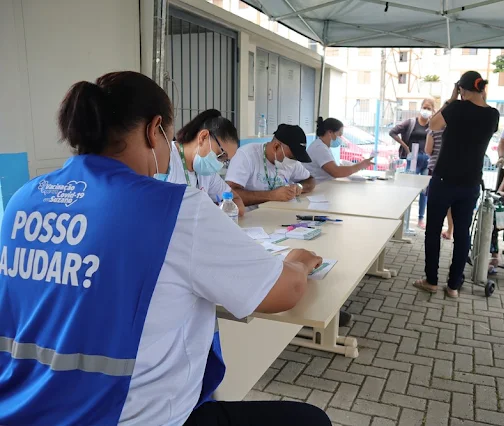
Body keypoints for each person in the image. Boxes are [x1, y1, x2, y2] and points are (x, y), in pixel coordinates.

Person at [0, 71, 332, 426]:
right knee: (310, 421)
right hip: (124, 416)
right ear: (153, 129)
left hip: (21, 410)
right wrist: (298, 262)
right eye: (166, 137)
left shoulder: (23, 200)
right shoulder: (174, 208)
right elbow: (284, 292)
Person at [414, 71, 500, 299]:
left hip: (444, 179)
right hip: (471, 183)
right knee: (462, 234)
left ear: (461, 89)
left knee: (433, 231)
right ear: (482, 88)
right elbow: (481, 113)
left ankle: (431, 281)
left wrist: (451, 99)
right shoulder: (493, 114)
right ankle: (453, 286)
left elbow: (433, 124)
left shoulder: (456, 107)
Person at [171, 109, 246, 216]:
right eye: (221, 155)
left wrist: (214, 210)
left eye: (225, 161)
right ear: (203, 137)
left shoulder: (207, 172)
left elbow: (236, 201)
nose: (220, 164)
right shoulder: (167, 158)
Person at [226, 124, 316, 207]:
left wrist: (300, 187)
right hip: (251, 215)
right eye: (291, 157)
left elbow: (311, 180)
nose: (293, 161)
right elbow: (231, 194)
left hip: (280, 212)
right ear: (276, 147)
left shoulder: (292, 163)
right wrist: (272, 195)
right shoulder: (246, 155)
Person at [390, 98, 435, 228]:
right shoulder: (411, 122)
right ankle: (405, 221)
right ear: (420, 108)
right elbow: (392, 132)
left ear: (433, 110)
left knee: (424, 191)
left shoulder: (432, 125)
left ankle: (421, 219)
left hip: (427, 160)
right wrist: (405, 146)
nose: (426, 110)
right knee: (408, 190)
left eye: (429, 108)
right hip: (413, 158)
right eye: (424, 107)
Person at [304, 117, 373, 183]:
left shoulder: (323, 146)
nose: (340, 138)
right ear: (330, 132)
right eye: (339, 134)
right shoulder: (319, 148)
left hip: (325, 185)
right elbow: (336, 172)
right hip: (318, 187)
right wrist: (360, 166)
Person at [425, 127, 453, 236]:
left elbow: (428, 150)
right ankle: (450, 229)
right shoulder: (455, 127)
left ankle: (434, 231)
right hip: (452, 169)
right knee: (451, 203)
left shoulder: (433, 129)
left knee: (435, 204)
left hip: (436, 167)